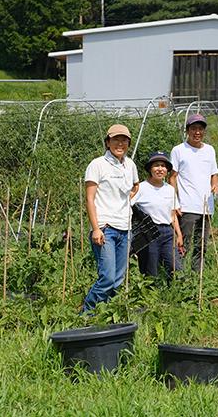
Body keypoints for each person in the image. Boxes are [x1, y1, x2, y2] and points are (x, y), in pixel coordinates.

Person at [81, 124, 139, 311]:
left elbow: (136, 185)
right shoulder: (97, 165)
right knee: (107, 277)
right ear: (108, 142)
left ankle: (105, 315)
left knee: (118, 279)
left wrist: (125, 199)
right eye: (116, 140)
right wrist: (96, 228)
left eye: (124, 140)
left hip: (125, 227)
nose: (120, 143)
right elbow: (89, 198)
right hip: (106, 228)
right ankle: (86, 314)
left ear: (128, 144)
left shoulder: (130, 164)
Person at [170, 113, 218, 272]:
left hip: (206, 206)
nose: (197, 132)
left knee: (202, 244)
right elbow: (172, 178)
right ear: (187, 131)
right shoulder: (179, 150)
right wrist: (174, 202)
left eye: (200, 129)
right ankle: (178, 274)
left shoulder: (210, 150)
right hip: (187, 206)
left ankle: (197, 275)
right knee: (183, 242)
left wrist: (215, 185)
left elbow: (214, 174)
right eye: (193, 129)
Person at [131, 151, 184, 279]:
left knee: (176, 268)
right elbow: (128, 206)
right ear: (150, 169)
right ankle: (149, 295)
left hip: (167, 232)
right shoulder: (141, 188)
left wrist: (179, 235)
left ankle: (176, 293)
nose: (160, 169)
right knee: (150, 269)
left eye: (163, 166)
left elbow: (172, 214)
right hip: (149, 232)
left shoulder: (169, 189)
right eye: (156, 165)